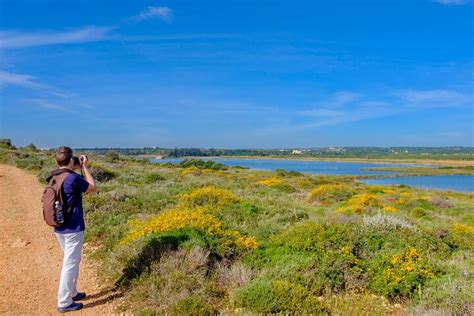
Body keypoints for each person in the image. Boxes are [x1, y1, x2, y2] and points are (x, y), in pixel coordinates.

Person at [52, 146, 97, 313]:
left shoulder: (54, 177)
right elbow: (92, 187)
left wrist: (76, 163)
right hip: (73, 228)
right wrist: (84, 167)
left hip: (59, 228)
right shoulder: (72, 178)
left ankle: (72, 292)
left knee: (72, 260)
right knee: (70, 263)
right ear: (71, 161)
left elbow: (67, 170)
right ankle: (64, 302)